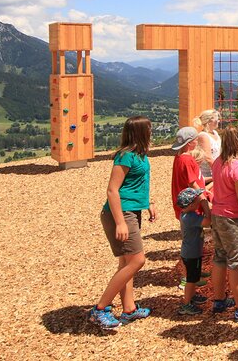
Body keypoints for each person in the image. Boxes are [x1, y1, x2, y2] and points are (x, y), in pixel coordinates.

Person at [89, 116, 157, 330]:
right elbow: (112, 190)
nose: (152, 132)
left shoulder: (140, 155)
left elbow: (138, 184)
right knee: (138, 261)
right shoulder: (125, 157)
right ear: (140, 132)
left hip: (132, 211)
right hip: (121, 213)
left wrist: (149, 202)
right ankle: (100, 309)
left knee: (127, 263)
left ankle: (129, 309)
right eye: (149, 129)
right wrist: (120, 222)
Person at [210, 128, 238, 319]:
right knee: (237, 261)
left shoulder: (217, 163)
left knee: (219, 257)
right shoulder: (237, 167)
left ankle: (218, 299)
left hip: (217, 214)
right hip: (232, 218)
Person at [171, 126, 209, 290]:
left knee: (196, 240)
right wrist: (206, 206)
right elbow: (193, 184)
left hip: (188, 206)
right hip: (191, 206)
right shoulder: (187, 160)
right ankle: (188, 278)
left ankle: (195, 273)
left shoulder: (180, 157)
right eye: (195, 139)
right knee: (190, 242)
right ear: (190, 143)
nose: (197, 141)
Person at [176, 187, 209, 315]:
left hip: (189, 252)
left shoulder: (185, 214)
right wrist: (205, 204)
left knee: (193, 277)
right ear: (190, 205)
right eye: (196, 201)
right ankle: (186, 304)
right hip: (192, 254)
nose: (199, 201)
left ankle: (191, 296)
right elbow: (208, 221)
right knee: (191, 279)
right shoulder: (190, 217)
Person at [192, 110, 222, 182]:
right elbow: (208, 157)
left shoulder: (215, 133)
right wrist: (219, 171)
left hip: (215, 170)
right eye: (216, 119)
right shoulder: (203, 136)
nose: (219, 121)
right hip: (208, 175)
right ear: (209, 121)